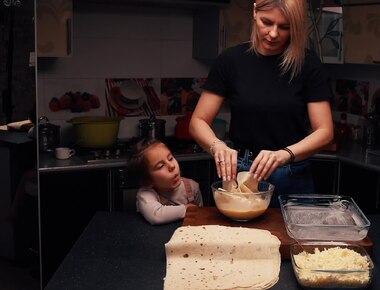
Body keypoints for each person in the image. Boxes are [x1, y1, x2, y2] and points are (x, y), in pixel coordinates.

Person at [189, 0, 334, 207]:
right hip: (242, 172)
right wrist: (216, 146)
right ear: (255, 11)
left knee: (294, 239)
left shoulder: (307, 64)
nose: (274, 34)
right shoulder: (230, 61)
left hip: (291, 173)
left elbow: (325, 132)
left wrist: (284, 154)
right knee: (240, 238)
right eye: (267, 22)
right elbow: (198, 121)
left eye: (285, 27)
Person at [127, 138, 203, 224]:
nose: (171, 166)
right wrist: (187, 209)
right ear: (148, 182)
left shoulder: (192, 187)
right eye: (160, 166)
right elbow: (155, 215)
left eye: (170, 158)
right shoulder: (145, 194)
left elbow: (200, 217)